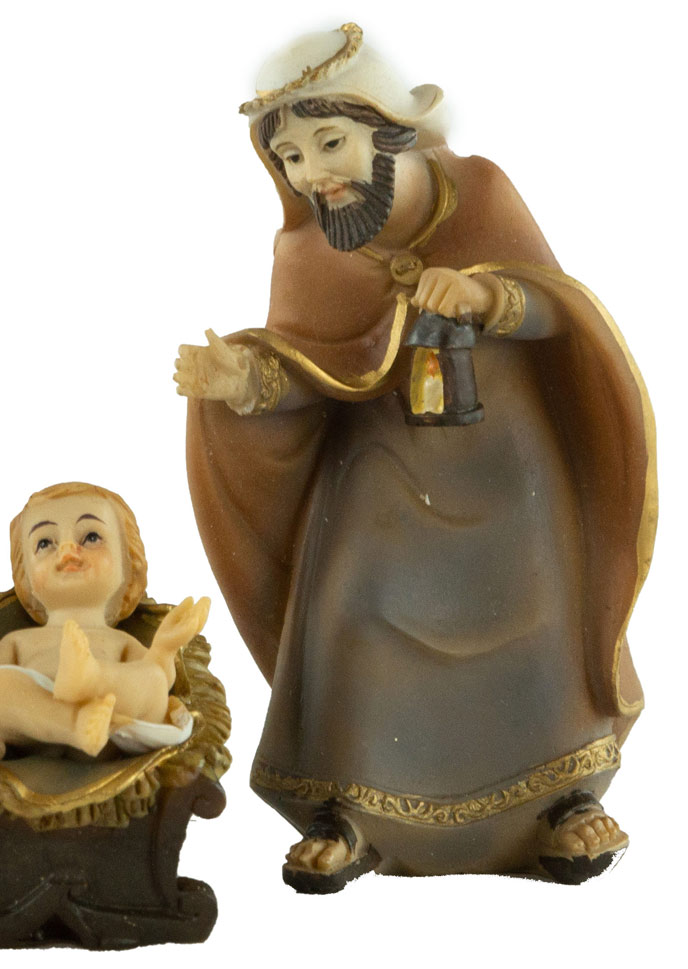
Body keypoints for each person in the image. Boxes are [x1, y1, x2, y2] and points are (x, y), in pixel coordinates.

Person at [174, 24, 656, 890]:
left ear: (387, 129)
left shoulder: (479, 192)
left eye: (330, 142)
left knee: (535, 609)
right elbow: (310, 370)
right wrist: (243, 378)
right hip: (381, 481)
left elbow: (562, 309)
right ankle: (349, 811)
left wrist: (487, 294)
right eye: (290, 157)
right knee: (352, 611)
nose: (313, 174)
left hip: (509, 469)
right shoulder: (308, 251)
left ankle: (564, 798)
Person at [0, 481, 205, 761]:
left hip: (112, 719)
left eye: (91, 537)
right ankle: (76, 724)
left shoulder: (120, 642)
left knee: (153, 680)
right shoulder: (23, 640)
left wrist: (165, 647)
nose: (67, 550)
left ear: (128, 562)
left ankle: (92, 680)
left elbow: (160, 681)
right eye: (45, 543)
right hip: (35, 722)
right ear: (25, 576)